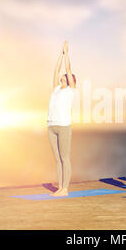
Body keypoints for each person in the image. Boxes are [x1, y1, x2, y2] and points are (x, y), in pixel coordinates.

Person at [47, 41, 76, 197]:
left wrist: (67, 53)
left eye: (66, 77)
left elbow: (67, 69)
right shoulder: (56, 89)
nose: (62, 76)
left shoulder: (71, 91)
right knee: (57, 160)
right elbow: (56, 70)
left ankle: (65, 189)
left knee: (65, 158)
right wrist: (61, 53)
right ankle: (60, 187)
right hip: (51, 126)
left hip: (64, 126)